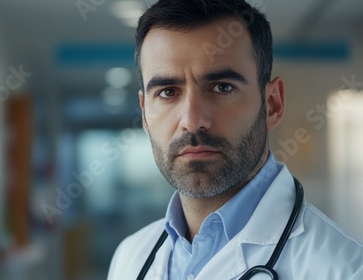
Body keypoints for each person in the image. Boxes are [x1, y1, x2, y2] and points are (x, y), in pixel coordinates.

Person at [107, 0, 363, 279]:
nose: (192, 121)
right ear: (144, 113)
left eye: (221, 87)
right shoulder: (131, 258)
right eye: (168, 92)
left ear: (272, 104)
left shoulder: (346, 269)